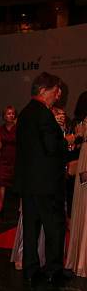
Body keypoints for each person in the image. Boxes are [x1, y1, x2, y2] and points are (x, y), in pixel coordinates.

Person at [14, 72, 67, 288]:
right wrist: (66, 139)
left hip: (28, 183)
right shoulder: (44, 114)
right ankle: (54, 271)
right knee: (54, 226)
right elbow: (52, 148)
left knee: (31, 228)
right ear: (44, 91)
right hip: (46, 183)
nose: (58, 96)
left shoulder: (25, 113)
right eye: (56, 91)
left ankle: (30, 269)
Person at [65, 94, 87, 277]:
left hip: (81, 163)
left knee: (79, 206)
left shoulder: (77, 122)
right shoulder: (79, 123)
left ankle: (79, 254)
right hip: (82, 165)